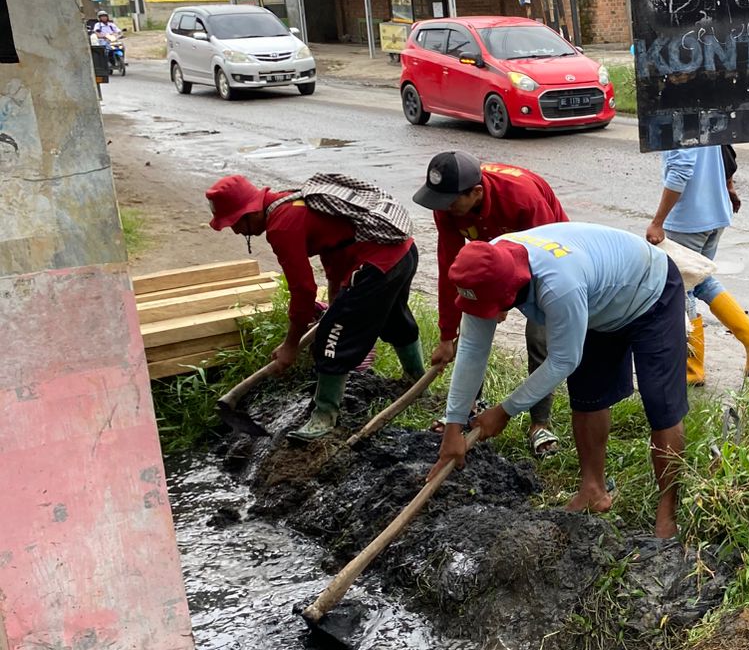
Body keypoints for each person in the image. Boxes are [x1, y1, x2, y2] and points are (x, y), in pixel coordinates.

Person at [427, 222, 689, 538]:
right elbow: (471, 347)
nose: (491, 315)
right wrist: (454, 426)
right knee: (587, 393)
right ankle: (593, 490)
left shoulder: (558, 285)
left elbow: (563, 360)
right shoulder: (482, 267)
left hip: (649, 289)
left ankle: (667, 513)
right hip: (597, 299)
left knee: (661, 405)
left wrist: (505, 410)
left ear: (511, 291)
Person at [205, 173, 425, 441]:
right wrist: (337, 304)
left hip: (378, 263)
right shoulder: (292, 200)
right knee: (393, 318)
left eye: (235, 223)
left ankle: (323, 417)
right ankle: (415, 380)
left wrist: (290, 346)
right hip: (402, 252)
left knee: (331, 342)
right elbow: (334, 248)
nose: (236, 231)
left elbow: (303, 291)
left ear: (250, 212)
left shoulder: (282, 226)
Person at [412, 151, 569, 457]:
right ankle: (468, 407)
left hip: (548, 258)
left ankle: (540, 422)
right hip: (494, 260)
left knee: (539, 338)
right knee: (474, 332)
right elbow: (451, 269)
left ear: (477, 193)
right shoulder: (446, 204)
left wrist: (505, 301)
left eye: (451, 203)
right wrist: (447, 335)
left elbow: (546, 259)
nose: (444, 209)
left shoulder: (522, 199)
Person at [646, 144, 749, 385]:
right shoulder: (703, 105)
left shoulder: (675, 112)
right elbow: (725, 149)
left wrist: (658, 221)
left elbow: (681, 169)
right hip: (715, 212)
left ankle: (692, 370)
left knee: (682, 288)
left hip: (689, 218)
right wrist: (728, 187)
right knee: (700, 280)